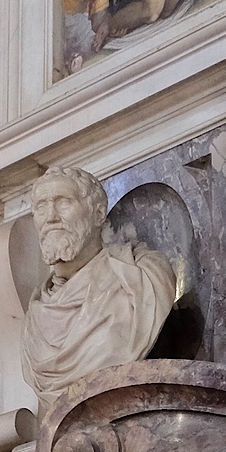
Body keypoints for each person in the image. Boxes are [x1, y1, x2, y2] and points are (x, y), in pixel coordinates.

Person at [20, 165, 177, 403]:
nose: (51, 216)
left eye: (63, 202)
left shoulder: (142, 275)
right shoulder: (35, 317)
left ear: (98, 214)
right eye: (41, 207)